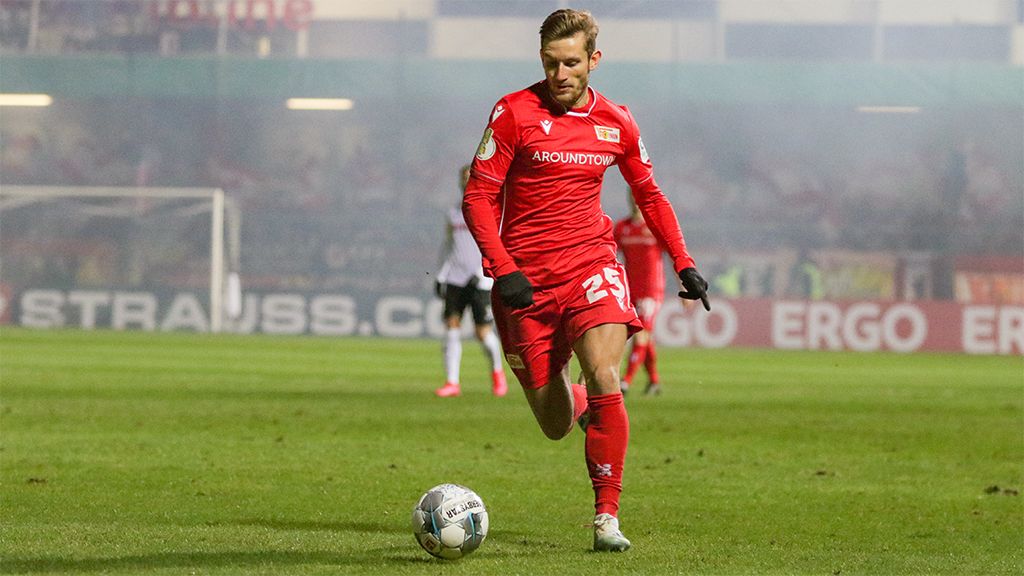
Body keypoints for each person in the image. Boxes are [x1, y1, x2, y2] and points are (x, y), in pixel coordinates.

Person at [462, 9, 710, 552]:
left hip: (591, 266)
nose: (560, 73)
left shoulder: (617, 122)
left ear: (594, 60)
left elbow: (650, 195)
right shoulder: (512, 113)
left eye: (571, 62)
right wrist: (504, 269)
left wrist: (683, 262)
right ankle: (574, 404)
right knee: (553, 421)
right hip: (523, 282)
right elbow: (478, 197)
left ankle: (606, 518)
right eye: (551, 63)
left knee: (605, 373)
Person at [434, 164, 508, 398]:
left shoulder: (489, 208)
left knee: (482, 332)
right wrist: (440, 274)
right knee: (451, 327)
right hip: (455, 277)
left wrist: (483, 269)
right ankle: (452, 382)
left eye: (470, 177)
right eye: (463, 178)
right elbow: (448, 246)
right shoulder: (454, 213)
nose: (466, 181)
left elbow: (495, 243)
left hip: (480, 279)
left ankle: (497, 374)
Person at [613, 192, 666, 396]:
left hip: (652, 290)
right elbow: (610, 253)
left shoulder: (654, 226)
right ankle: (653, 381)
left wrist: (683, 285)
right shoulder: (622, 228)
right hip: (629, 289)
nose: (635, 203)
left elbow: (671, 253)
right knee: (645, 337)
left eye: (638, 198)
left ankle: (625, 382)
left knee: (641, 334)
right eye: (632, 198)